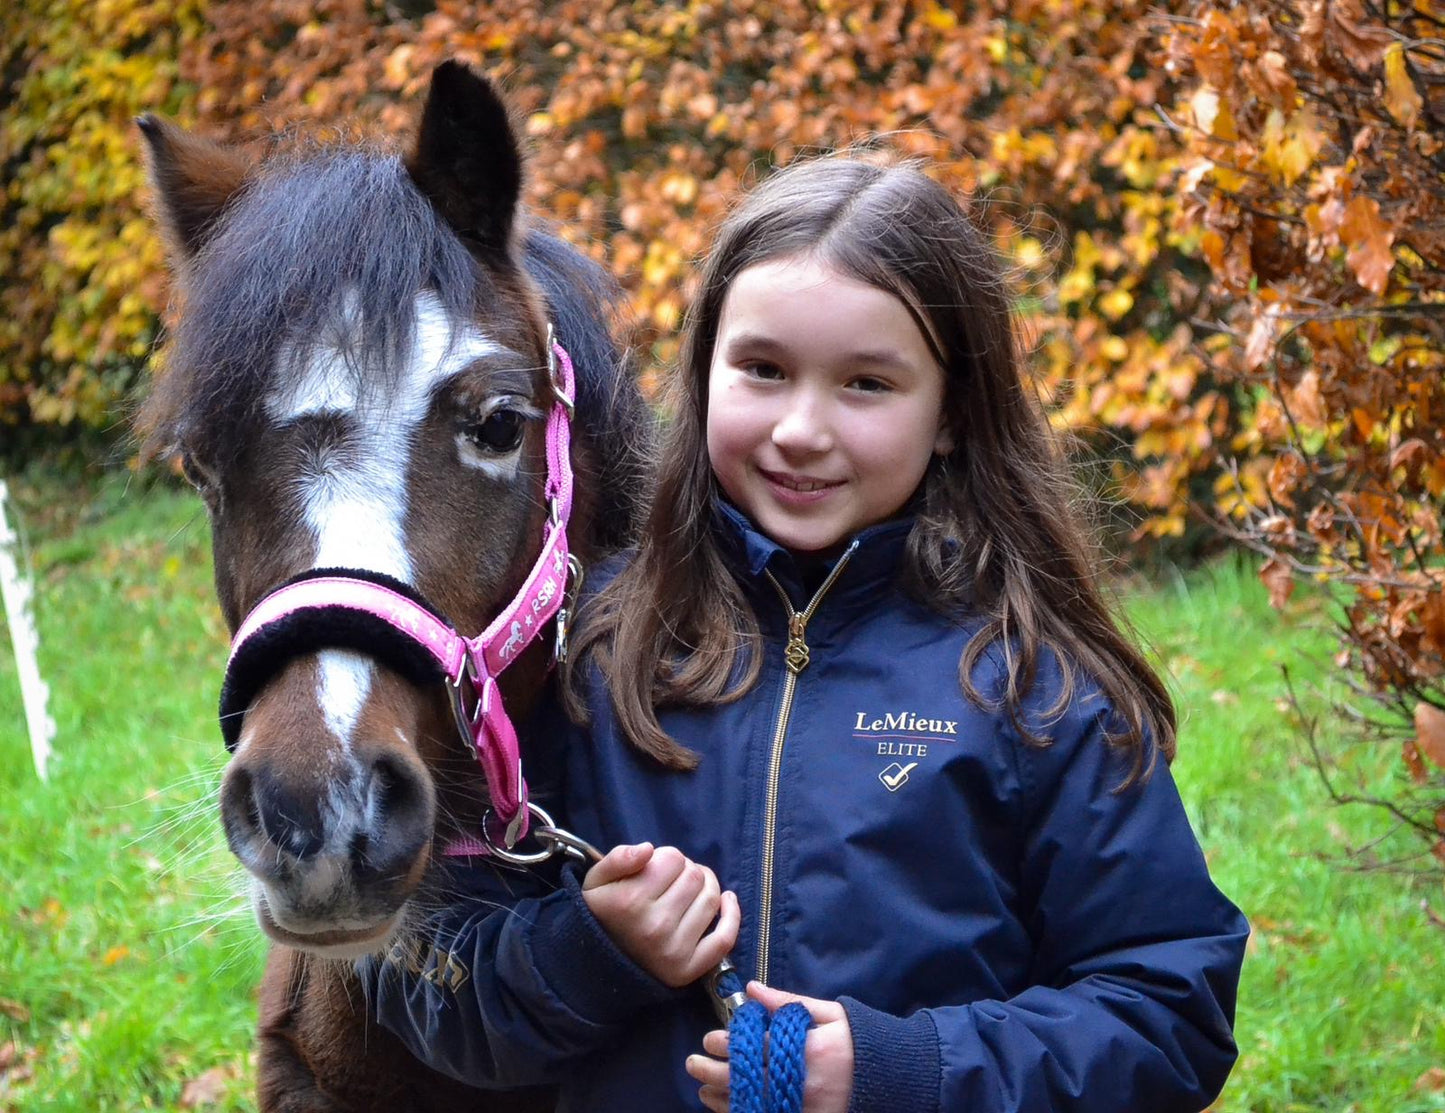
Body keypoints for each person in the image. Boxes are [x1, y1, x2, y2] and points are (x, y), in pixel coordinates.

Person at [361, 151, 1249, 1113]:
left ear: (950, 412)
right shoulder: (576, 650)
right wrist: (590, 950)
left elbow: (1168, 1011)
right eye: (763, 370)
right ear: (704, 371)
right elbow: (415, 972)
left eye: (866, 384)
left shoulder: (1038, 686)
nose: (799, 429)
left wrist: (901, 1073)